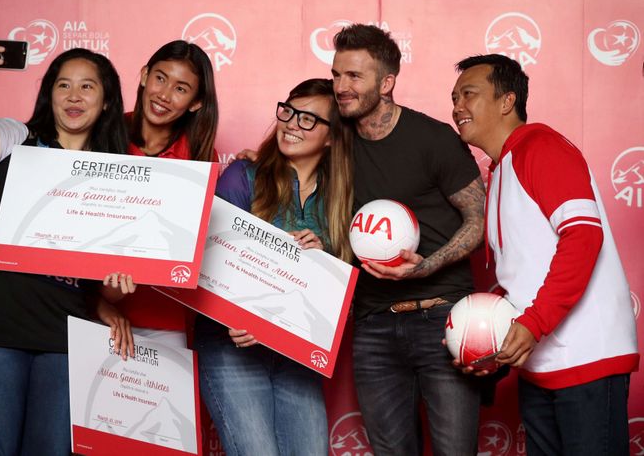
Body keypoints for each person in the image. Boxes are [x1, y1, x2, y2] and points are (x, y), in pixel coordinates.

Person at [0, 32, 134, 455]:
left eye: (87, 86)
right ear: (49, 94)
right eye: (63, 84)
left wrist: (119, 282)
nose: (74, 96)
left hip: (63, 338)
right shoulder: (16, 139)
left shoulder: (117, 177)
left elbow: (105, 284)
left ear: (107, 101)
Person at [451, 53, 639, 455]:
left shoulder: (542, 146)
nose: (457, 107)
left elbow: (583, 238)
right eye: (454, 98)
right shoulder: (501, 169)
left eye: (469, 94)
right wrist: (490, 346)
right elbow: (523, 273)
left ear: (507, 101)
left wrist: (534, 323)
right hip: (540, 363)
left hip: (586, 356)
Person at [331, 24, 485, 455]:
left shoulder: (432, 139)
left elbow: (479, 217)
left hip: (441, 318)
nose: (341, 87)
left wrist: (428, 264)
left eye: (354, 77)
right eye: (337, 74)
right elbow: (290, 141)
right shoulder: (335, 141)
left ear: (386, 83)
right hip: (373, 325)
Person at [193, 78, 354, 456]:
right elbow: (208, 261)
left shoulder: (340, 196)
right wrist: (235, 315)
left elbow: (340, 287)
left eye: (309, 119)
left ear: (332, 137)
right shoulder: (242, 176)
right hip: (232, 348)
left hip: (297, 356)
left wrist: (326, 253)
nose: (292, 123)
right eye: (289, 111)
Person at [106, 40, 219, 333]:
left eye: (181, 89)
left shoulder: (202, 159)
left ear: (196, 103)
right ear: (144, 75)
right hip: (95, 312)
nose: (164, 95)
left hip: (164, 317)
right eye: (160, 78)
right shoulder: (105, 136)